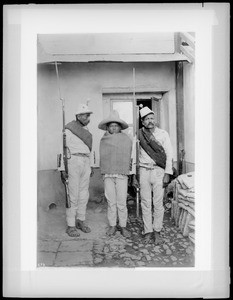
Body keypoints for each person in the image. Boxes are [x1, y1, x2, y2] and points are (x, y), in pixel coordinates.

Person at [138, 106, 173, 245]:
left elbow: (169, 154)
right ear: (142, 121)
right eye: (147, 119)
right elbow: (134, 155)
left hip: (159, 171)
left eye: (152, 118)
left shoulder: (163, 134)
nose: (150, 121)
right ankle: (147, 231)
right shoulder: (139, 135)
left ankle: (157, 231)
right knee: (145, 202)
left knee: (158, 203)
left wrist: (167, 173)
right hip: (144, 170)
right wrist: (134, 175)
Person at [98, 111, 132, 238]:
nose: (113, 128)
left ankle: (123, 226)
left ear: (119, 127)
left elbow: (129, 156)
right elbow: (103, 157)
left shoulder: (126, 139)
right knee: (111, 201)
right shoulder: (104, 140)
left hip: (122, 174)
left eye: (116, 125)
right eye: (111, 126)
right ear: (107, 127)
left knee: (121, 201)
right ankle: (112, 225)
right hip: (108, 174)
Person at [62, 103, 94, 237]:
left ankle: (80, 220)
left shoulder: (87, 132)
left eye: (88, 116)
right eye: (86, 116)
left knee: (84, 194)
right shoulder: (68, 130)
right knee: (73, 194)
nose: (88, 118)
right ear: (79, 116)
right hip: (73, 161)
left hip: (85, 162)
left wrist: (91, 165)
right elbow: (61, 149)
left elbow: (90, 151)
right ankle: (71, 225)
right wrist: (62, 168)